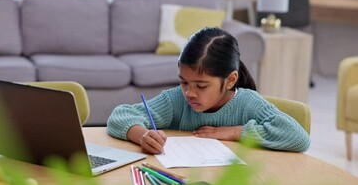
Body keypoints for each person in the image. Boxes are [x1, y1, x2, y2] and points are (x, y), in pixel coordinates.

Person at [107, 27, 310, 154]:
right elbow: (121, 115)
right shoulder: (177, 100)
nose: (189, 93)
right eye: (184, 82)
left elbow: (298, 138)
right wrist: (142, 135)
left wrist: (236, 132)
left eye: (201, 86)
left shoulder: (248, 103)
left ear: (230, 80)